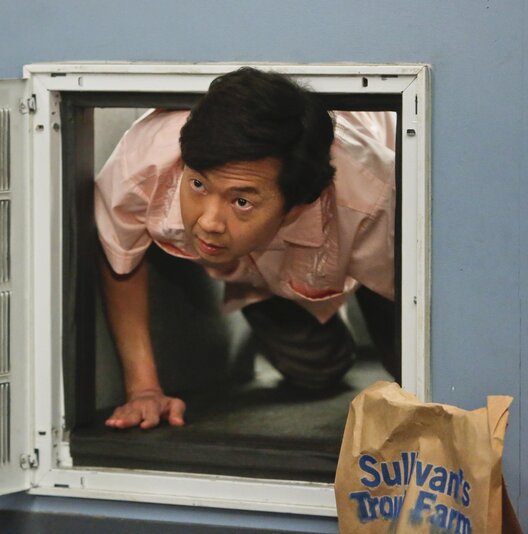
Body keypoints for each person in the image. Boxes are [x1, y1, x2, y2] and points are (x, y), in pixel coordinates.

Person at [95, 67, 397, 430]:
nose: (209, 222)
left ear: (297, 205)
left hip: (374, 256)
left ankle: (349, 288)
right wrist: (143, 390)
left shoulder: (372, 202)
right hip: (264, 271)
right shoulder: (143, 162)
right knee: (316, 370)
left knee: (406, 368)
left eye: (241, 202)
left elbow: (422, 302)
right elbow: (121, 257)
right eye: (198, 185)